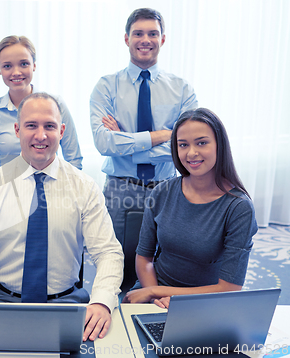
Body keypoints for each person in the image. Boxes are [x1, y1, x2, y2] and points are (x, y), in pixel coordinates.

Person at [0, 93, 123, 342]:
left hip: (68, 307)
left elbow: (107, 253)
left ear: (61, 131)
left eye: (49, 126)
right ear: (17, 130)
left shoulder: (84, 187)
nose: (41, 135)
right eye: (31, 126)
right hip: (1, 303)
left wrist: (102, 303)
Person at [123, 108, 257, 308]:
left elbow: (229, 287)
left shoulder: (238, 207)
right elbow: (144, 257)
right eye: (183, 145)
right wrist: (154, 297)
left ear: (219, 145)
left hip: (204, 301)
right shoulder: (162, 192)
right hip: (153, 289)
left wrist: (157, 292)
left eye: (201, 143)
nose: (191, 153)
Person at [89, 8, 198, 245]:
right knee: (115, 259)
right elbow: (104, 143)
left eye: (153, 33)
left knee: (165, 262)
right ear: (127, 39)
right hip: (120, 188)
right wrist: (163, 135)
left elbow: (188, 149)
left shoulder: (182, 89)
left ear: (163, 39)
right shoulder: (106, 86)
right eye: (138, 33)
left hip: (167, 189)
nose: (145, 40)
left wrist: (126, 142)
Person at [0, 35, 82, 181]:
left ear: (34, 65)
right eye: (7, 66)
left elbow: (73, 159)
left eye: (24, 64)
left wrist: (69, 193)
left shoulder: (56, 105)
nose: (16, 72)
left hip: (52, 191)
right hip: (7, 194)